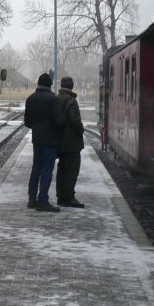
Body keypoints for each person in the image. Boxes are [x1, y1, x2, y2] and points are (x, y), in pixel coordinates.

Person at [24, 73, 65, 212]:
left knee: (36, 168)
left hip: (37, 139)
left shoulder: (31, 99)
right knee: (47, 169)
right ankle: (43, 200)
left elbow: (27, 122)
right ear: (49, 85)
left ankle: (31, 200)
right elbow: (59, 121)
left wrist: (37, 127)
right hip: (50, 140)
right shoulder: (53, 99)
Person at [56, 76, 85, 208]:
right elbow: (75, 121)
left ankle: (60, 197)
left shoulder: (56, 100)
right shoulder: (71, 101)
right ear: (72, 86)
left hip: (59, 141)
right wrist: (81, 130)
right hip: (71, 143)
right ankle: (69, 197)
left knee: (61, 169)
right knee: (72, 170)